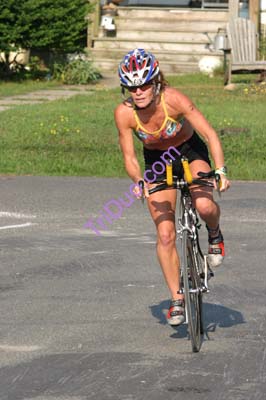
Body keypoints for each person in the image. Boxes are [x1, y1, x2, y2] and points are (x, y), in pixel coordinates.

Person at [114, 48, 230, 326]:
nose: (138, 92)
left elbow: (209, 133)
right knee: (165, 235)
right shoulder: (125, 113)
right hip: (157, 162)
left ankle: (215, 234)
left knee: (203, 204)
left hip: (190, 151)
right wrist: (139, 181)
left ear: (155, 82)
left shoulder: (173, 99)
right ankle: (177, 297)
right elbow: (129, 157)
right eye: (131, 87)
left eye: (143, 85)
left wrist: (221, 169)